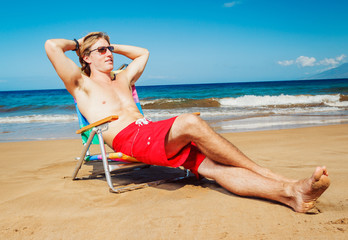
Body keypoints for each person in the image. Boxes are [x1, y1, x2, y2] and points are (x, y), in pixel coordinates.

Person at [45, 32, 330, 213]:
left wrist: (112, 45)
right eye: (102, 51)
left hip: (152, 136)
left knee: (213, 168)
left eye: (110, 49)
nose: (109, 54)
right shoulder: (80, 83)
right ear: (85, 57)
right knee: (189, 122)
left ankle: (291, 194)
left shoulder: (123, 79)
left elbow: (144, 52)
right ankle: (268, 173)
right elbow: (51, 46)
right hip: (129, 139)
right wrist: (79, 43)